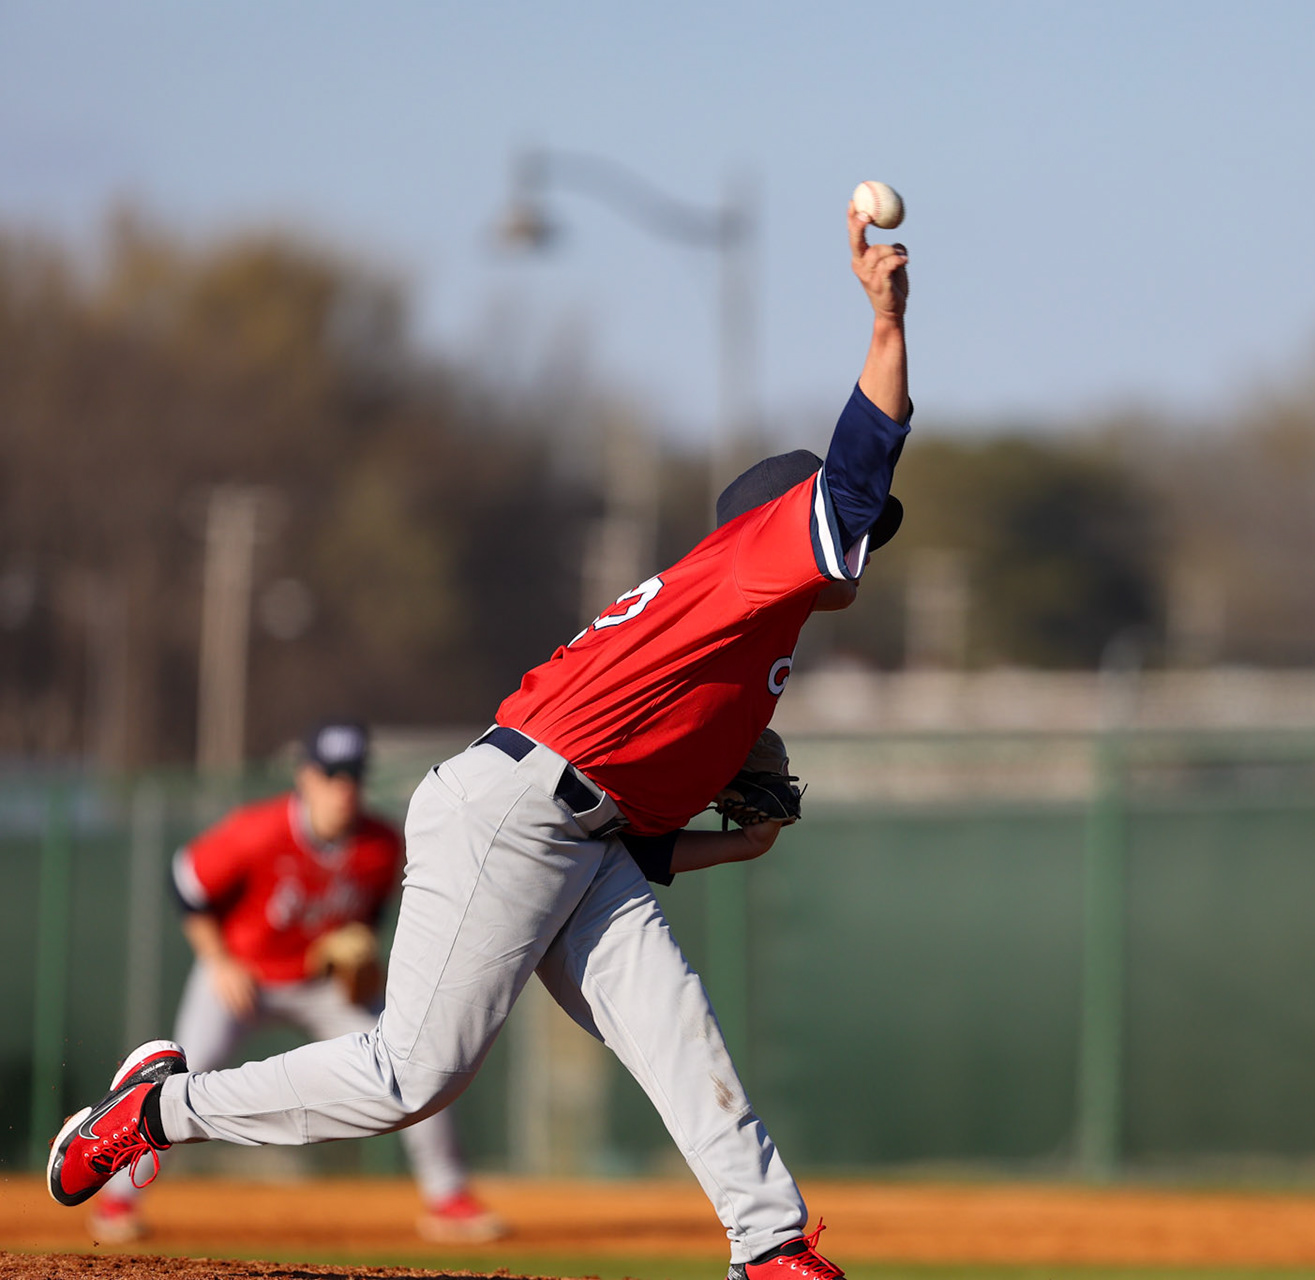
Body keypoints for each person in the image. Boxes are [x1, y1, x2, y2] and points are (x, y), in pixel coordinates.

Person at [50, 201, 912, 1280]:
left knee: (675, 1029)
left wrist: (734, 845)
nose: (867, 544)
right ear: (777, 525)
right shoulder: (744, 572)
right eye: (859, 530)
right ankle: (156, 1109)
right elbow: (856, 475)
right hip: (510, 811)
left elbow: (629, 842)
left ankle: (771, 1245)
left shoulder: (739, 663)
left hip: (570, 831)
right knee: (410, 1075)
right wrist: (885, 327)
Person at [86, 720, 505, 1245]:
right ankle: (118, 1201)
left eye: (351, 776)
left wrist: (358, 948)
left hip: (320, 984)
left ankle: (448, 1197)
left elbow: (371, 911)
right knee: (178, 1075)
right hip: (242, 978)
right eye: (331, 775)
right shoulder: (257, 830)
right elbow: (187, 883)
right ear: (305, 778)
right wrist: (218, 960)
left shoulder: (379, 844)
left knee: (412, 1063)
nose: (342, 789)